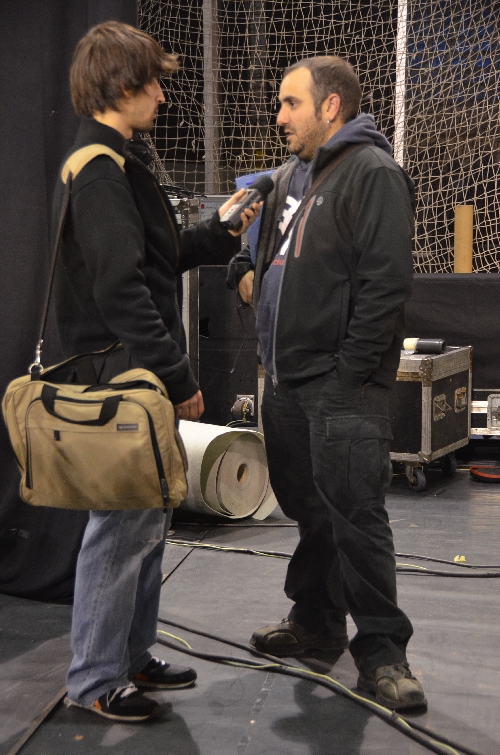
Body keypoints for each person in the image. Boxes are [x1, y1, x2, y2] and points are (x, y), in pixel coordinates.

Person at [54, 21, 260, 723]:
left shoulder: (116, 163)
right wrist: (177, 375)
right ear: (121, 86)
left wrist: (219, 233)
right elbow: (121, 291)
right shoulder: (99, 170)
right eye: (152, 83)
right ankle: (94, 678)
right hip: (123, 379)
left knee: (148, 520)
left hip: (134, 376)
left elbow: (154, 259)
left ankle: (131, 653)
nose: (163, 96)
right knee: (121, 526)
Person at [227, 56, 426, 710]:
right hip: (284, 381)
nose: (279, 116)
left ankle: (384, 653)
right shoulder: (289, 175)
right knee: (310, 510)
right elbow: (252, 250)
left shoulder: (374, 173)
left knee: (357, 518)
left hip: (341, 388)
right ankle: (315, 621)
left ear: (331, 106)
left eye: (291, 103)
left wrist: (349, 373)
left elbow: (385, 287)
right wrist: (242, 274)